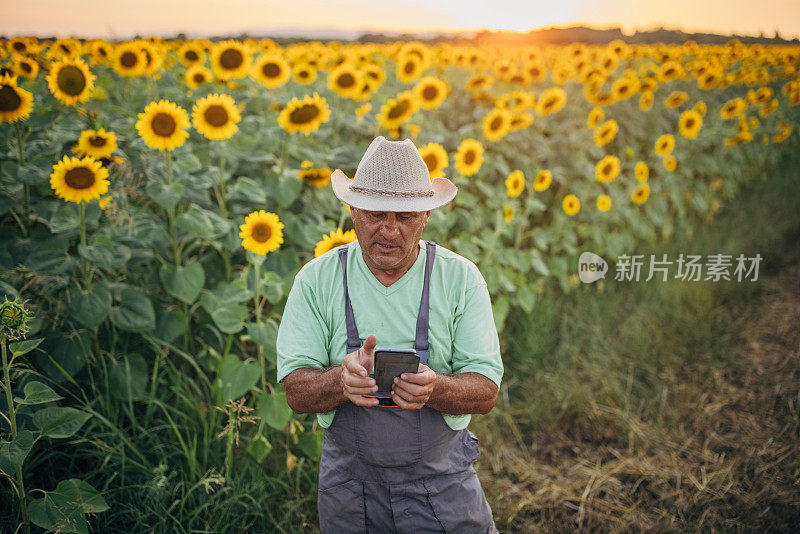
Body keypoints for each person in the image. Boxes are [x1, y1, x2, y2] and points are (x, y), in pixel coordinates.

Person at [277, 135, 504, 533]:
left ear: (426, 216)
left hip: (442, 487)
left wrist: (435, 389)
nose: (390, 230)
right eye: (376, 213)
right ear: (352, 210)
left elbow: (485, 392)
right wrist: (339, 380)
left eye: (405, 216)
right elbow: (296, 393)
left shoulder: (460, 279)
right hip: (349, 492)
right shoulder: (317, 280)